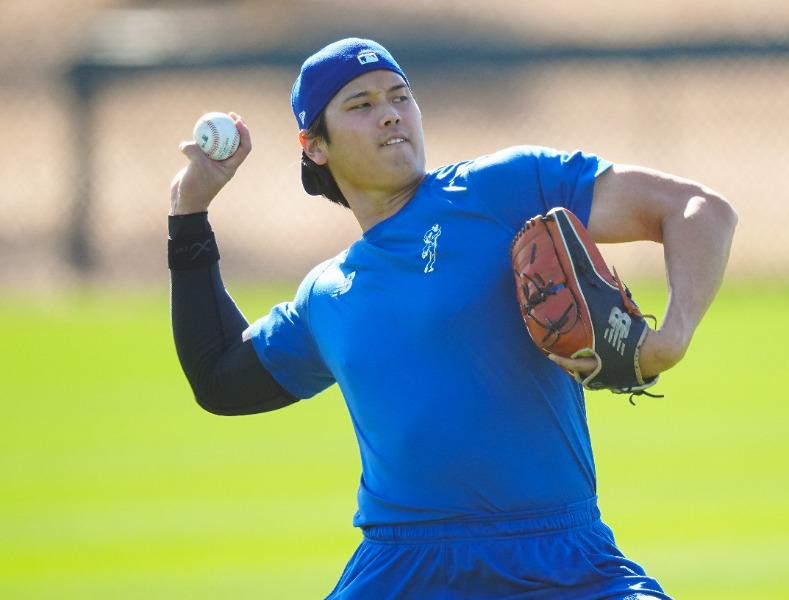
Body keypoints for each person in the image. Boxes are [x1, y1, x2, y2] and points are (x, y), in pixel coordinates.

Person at [168, 37, 737, 599]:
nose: (390, 115)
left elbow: (697, 211)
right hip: (402, 570)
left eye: (399, 96)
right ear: (315, 145)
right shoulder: (327, 295)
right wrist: (189, 211)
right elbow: (219, 378)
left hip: (561, 563)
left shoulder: (499, 188)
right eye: (361, 105)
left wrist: (672, 337)